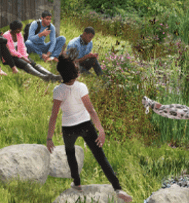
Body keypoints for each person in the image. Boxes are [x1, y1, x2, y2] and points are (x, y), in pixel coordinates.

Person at [46, 49, 132, 202]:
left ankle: (77, 183)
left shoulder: (58, 90)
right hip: (86, 125)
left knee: (71, 154)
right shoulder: (81, 87)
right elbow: (91, 110)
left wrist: (49, 138)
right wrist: (101, 130)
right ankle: (118, 188)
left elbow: (53, 116)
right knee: (100, 157)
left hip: (68, 128)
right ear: (75, 70)